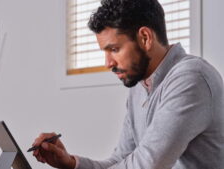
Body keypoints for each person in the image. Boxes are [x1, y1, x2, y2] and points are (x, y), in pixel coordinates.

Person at [31, 0, 224, 168]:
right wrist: (71, 164)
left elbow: (145, 165)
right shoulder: (140, 87)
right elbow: (121, 161)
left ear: (145, 38)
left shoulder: (191, 79)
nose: (108, 63)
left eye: (114, 49)